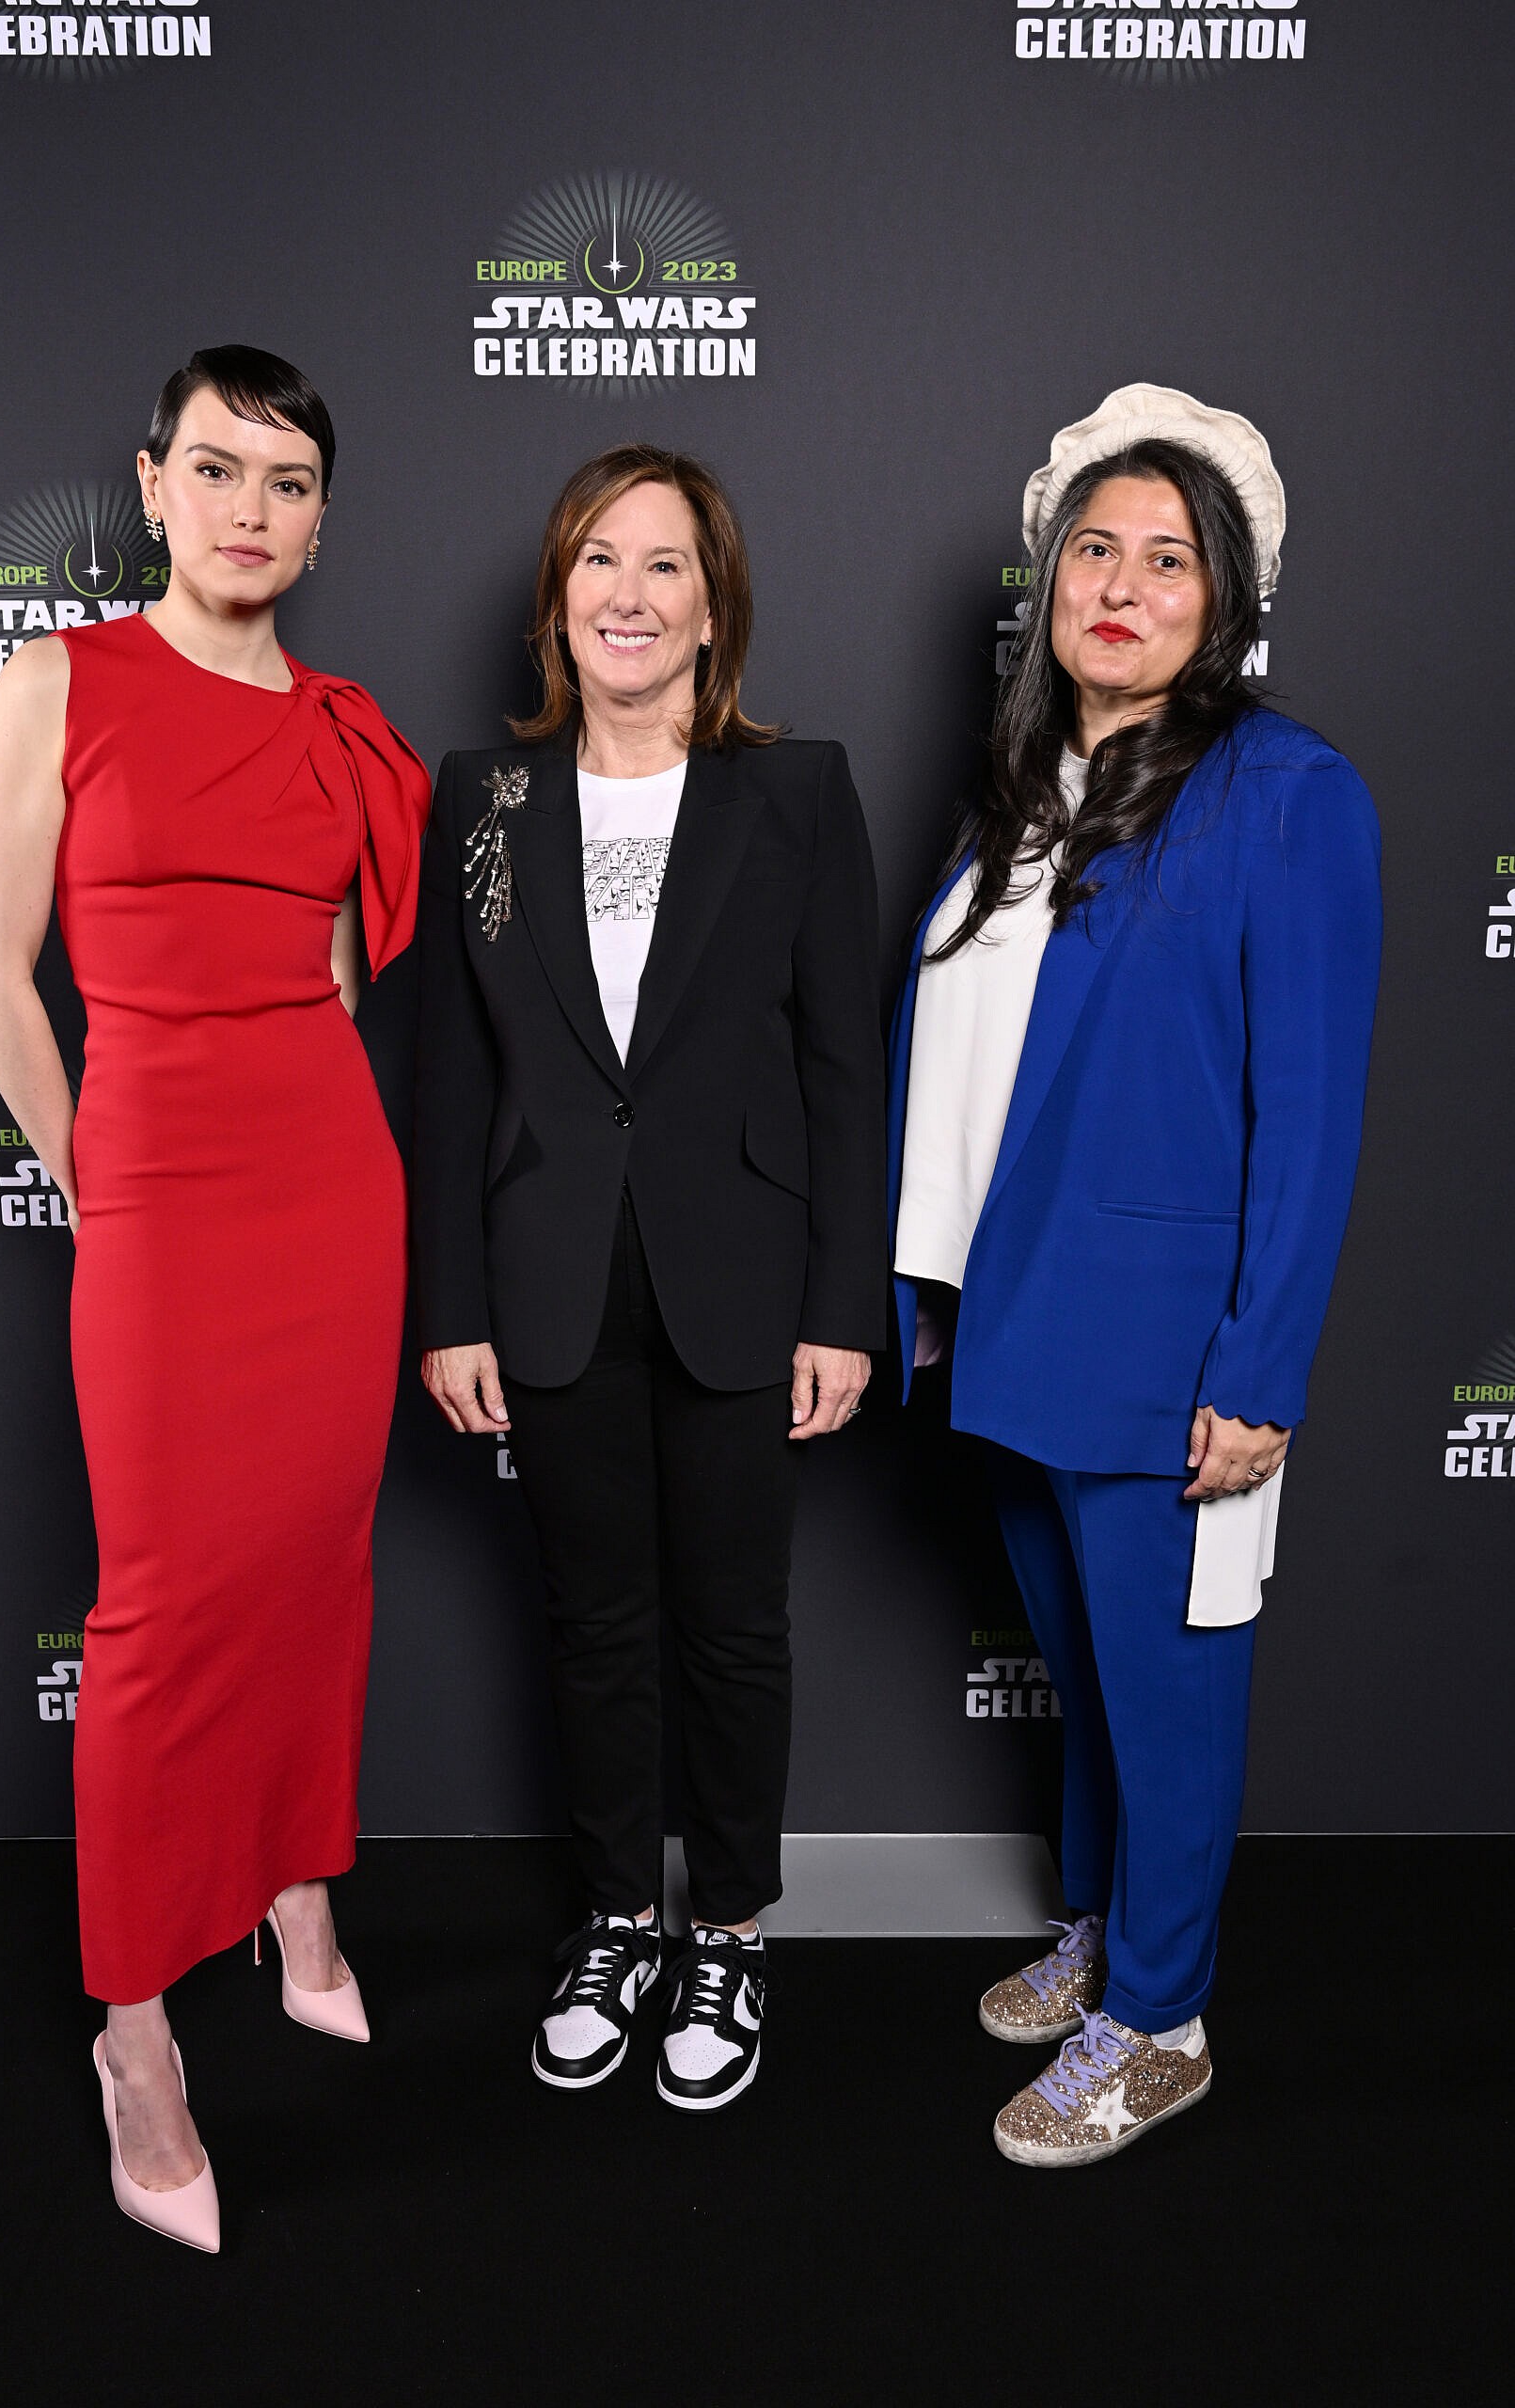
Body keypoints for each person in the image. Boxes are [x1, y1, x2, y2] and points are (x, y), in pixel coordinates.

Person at [0, 346, 430, 2247]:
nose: (253, 507)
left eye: (290, 480)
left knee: (318, 1554)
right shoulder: (58, 679)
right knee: (158, 1604)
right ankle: (136, 2034)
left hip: (333, 1177)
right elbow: (0, 979)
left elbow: (331, 986)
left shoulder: (345, 725)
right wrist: (99, 1168)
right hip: (152, 1168)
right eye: (220, 469)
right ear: (151, 483)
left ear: (320, 518)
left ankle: (299, 1881)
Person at [887, 386, 1381, 2165]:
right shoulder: (1026, 791)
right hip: (1012, 1328)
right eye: (1096, 546)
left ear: (1225, 597)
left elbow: (1310, 1120)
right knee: (1087, 1673)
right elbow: (970, 1062)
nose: (1122, 583)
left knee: (1169, 1690)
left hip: (1173, 1355)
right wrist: (923, 1288)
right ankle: (1101, 1934)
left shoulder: (1289, 795)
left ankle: (1159, 2019)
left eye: (1168, 559)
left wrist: (1259, 1372)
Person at [413, 444, 886, 2112]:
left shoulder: (797, 791)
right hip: (546, 1282)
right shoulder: (483, 797)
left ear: (714, 604)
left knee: (734, 1626)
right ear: (557, 599)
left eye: (665, 565)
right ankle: (620, 1916)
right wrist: (452, 1303)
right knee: (594, 1622)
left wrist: (846, 1306)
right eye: (598, 561)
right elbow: (455, 1078)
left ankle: (733, 1929)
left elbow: (845, 1068)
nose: (629, 593)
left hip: (744, 1282)